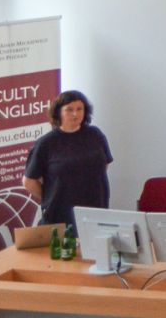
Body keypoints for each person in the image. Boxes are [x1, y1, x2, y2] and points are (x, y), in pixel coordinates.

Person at [22, 90, 113, 227]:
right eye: (69, 110)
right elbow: (29, 181)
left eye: (79, 109)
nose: (75, 114)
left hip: (96, 210)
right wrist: (51, 196)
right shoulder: (46, 143)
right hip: (61, 215)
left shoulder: (95, 134)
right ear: (59, 112)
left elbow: (104, 164)